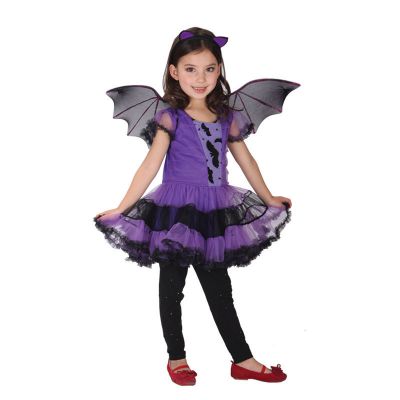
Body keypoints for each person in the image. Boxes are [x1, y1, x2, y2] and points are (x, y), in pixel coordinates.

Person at [93, 27, 299, 385]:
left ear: (219, 70)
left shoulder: (227, 116)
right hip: (175, 211)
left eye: (209, 69)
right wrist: (122, 208)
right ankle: (177, 358)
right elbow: (150, 166)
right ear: (174, 71)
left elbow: (247, 161)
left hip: (215, 211)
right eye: (191, 69)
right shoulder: (170, 117)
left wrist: (268, 198)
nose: (200, 78)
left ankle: (243, 360)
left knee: (220, 289)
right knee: (172, 288)